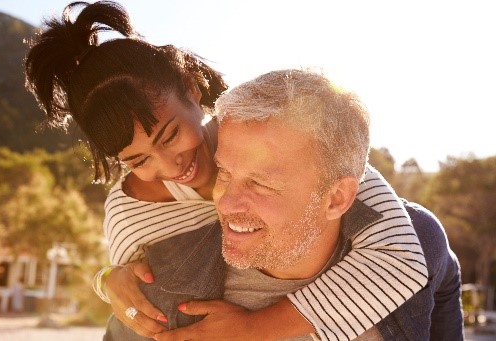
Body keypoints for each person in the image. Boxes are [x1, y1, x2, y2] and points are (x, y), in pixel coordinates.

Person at [24, 2, 428, 339]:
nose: (170, 167)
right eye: (139, 160)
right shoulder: (132, 214)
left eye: (169, 136)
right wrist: (107, 279)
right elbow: (135, 288)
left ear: (192, 90)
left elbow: (405, 258)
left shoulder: (265, 135)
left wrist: (256, 329)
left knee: (422, 226)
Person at [152, 69, 464, 340]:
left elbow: (445, 277)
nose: (227, 202)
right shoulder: (161, 291)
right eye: (225, 172)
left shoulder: (416, 240)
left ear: (337, 198)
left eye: (261, 183)